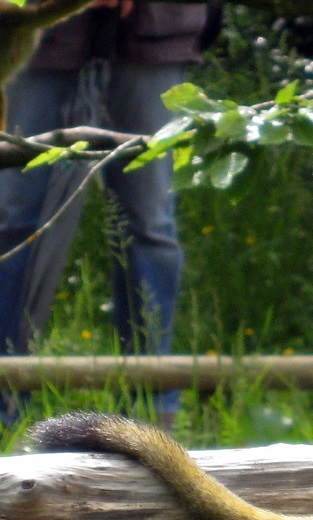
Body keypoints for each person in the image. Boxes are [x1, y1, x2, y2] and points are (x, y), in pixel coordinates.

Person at [0, 1, 213, 427]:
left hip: (154, 33)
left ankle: (151, 410)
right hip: (39, 34)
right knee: (18, 220)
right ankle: (4, 402)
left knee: (150, 225)